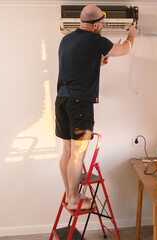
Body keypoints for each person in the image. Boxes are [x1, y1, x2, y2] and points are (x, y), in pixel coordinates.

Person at [55, 5, 137, 210]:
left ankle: (69, 196)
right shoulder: (94, 40)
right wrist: (131, 35)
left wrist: (96, 62)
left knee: (66, 152)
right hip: (80, 103)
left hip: (62, 101)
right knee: (77, 154)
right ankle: (74, 200)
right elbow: (125, 49)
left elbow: (74, 65)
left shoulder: (66, 40)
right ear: (95, 25)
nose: (102, 27)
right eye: (101, 24)